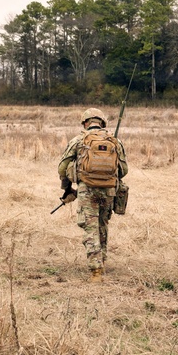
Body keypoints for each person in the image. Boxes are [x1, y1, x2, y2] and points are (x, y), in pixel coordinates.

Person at [58, 107, 128, 282]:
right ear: (102, 122)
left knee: (90, 228)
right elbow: (124, 170)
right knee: (102, 225)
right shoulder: (115, 141)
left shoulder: (79, 140)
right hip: (109, 191)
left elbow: (62, 167)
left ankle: (96, 271)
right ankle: (102, 260)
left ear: (85, 123)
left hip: (87, 190)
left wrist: (67, 188)